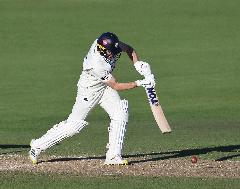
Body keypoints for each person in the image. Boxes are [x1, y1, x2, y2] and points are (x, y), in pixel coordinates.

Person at [29, 32, 155, 165]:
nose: (113, 54)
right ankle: (37, 145)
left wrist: (139, 65)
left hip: (104, 86)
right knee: (74, 125)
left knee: (120, 111)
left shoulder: (110, 45)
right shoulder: (97, 63)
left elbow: (130, 50)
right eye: (111, 52)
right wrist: (140, 83)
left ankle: (113, 157)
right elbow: (116, 86)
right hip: (89, 90)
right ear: (102, 50)